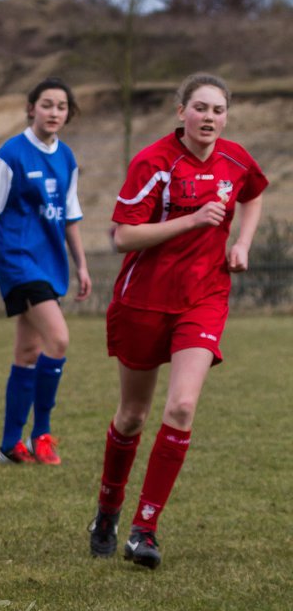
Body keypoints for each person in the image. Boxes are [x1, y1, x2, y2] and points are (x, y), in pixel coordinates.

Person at [88, 73, 266, 568]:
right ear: (180, 113)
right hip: (143, 302)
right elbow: (122, 237)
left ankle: (144, 530)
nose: (210, 117)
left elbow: (252, 194)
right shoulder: (154, 162)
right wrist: (192, 220)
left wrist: (242, 242)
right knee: (132, 416)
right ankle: (108, 509)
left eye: (219, 110)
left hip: (203, 298)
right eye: (201, 108)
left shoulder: (235, 160)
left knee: (183, 406)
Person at [0, 78, 91, 465]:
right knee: (59, 339)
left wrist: (82, 265)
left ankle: (9, 444)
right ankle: (41, 434)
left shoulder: (66, 157)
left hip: (49, 263)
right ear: (31, 108)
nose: (54, 112)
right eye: (47, 105)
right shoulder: (10, 156)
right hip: (19, 262)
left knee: (28, 351)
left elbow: (69, 218)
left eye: (62, 107)